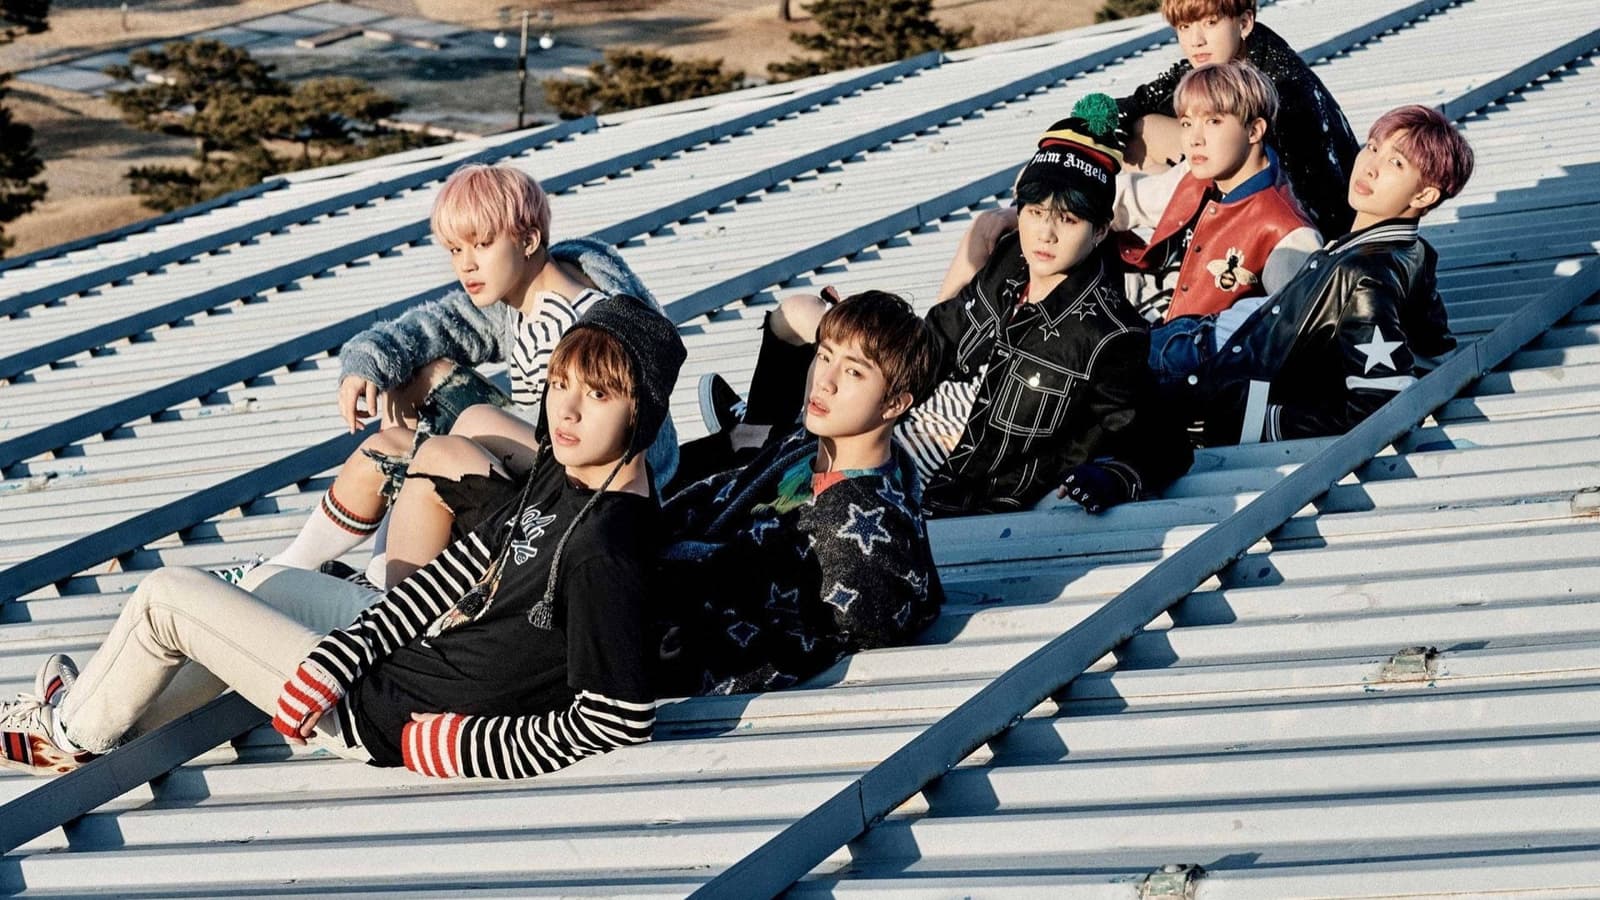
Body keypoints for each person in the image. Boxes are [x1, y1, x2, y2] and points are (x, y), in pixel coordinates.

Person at [0, 294, 686, 781]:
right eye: (560, 383)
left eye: (597, 395)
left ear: (643, 412)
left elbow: (615, 720)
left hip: (386, 710)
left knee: (165, 596)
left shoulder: (608, 549)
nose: (565, 410)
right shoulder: (566, 471)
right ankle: (110, 720)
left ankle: (66, 730)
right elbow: (464, 568)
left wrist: (466, 748)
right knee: (265, 585)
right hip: (403, 656)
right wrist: (342, 654)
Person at [704, 105, 1191, 518]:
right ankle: (758, 431)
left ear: (1100, 230)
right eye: (1035, 213)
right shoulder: (1011, 261)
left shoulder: (1109, 334)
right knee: (734, 468)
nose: (1045, 233)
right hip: (891, 428)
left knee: (745, 494)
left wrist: (1112, 477)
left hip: (941, 491)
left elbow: (1163, 440)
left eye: (1067, 219)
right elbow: (937, 339)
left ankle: (755, 434)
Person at [218, 163, 677, 588]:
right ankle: (350, 562)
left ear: (529, 241)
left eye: (482, 244)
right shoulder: (524, 296)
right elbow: (431, 328)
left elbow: (631, 449)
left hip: (586, 492)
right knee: (414, 376)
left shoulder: (585, 326)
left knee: (408, 443)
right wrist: (366, 363)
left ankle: (296, 573)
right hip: (546, 460)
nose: (466, 264)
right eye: (456, 249)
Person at [656, 291, 946, 696]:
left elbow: (799, 648)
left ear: (895, 403)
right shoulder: (805, 445)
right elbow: (791, 315)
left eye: (854, 372)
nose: (824, 381)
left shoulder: (863, 540)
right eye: (824, 356)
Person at [1160, 105, 1473, 445]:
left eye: (1395, 163)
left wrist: (1258, 421)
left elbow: (1382, 403)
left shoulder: (1365, 274)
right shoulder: (1411, 250)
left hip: (1201, 369)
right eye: (1372, 147)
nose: (1370, 167)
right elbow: (1435, 354)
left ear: (1424, 194)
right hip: (1208, 346)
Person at [1115, 0, 1358, 236]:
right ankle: (1177, 234)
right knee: (1141, 131)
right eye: (1185, 27)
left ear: (1244, 23)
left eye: (1210, 23)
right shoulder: (1221, 60)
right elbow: (1143, 101)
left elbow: (1310, 199)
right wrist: (1096, 123)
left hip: (1298, 226)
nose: (1196, 41)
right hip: (1251, 194)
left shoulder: (1283, 90)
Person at [1114, 62, 1320, 335]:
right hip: (1151, 317)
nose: (1194, 139)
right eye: (1186, 123)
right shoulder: (1198, 176)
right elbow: (1125, 200)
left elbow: (1294, 331)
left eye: (1213, 121)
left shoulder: (1287, 233)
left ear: (1254, 130)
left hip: (1198, 352)